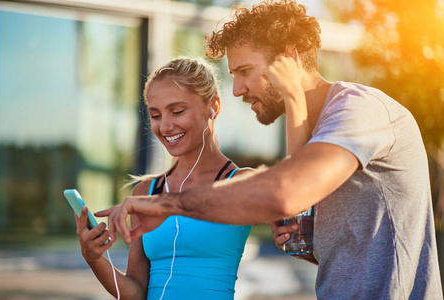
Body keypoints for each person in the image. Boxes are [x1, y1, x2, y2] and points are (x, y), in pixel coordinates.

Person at [97, 1, 443, 299]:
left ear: (289, 59)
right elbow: (315, 240)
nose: (236, 90)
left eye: (245, 71)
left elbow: (284, 192)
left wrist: (168, 204)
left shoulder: (359, 111)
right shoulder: (317, 134)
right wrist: (299, 240)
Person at [76, 57, 252, 300]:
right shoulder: (145, 192)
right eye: (156, 115)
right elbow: (135, 291)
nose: (165, 126)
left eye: (177, 111)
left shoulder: (241, 183)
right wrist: (94, 259)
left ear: (214, 107)